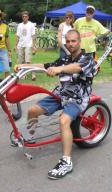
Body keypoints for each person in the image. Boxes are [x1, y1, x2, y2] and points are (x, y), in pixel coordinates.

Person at [16, 29, 95, 179]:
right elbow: (45, 65)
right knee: (32, 110)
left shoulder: (87, 58)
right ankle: (29, 137)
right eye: (68, 41)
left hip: (77, 98)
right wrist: (24, 66)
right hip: (61, 94)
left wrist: (59, 69)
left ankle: (66, 161)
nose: (71, 44)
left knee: (63, 121)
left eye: (74, 41)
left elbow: (77, 68)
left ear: (79, 42)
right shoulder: (64, 58)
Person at [16, 11, 37, 80]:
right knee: (21, 61)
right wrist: (15, 45)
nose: (24, 18)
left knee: (28, 61)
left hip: (28, 44)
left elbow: (34, 36)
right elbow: (17, 36)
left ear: (28, 17)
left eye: (26, 16)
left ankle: (33, 74)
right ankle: (24, 74)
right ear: (22, 17)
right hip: (20, 45)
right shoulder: (19, 25)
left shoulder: (31, 25)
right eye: (23, 16)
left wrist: (34, 46)